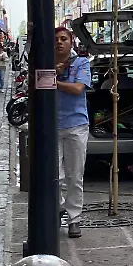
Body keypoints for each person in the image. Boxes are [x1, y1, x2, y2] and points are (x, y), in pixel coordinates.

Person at [55, 26, 92, 236]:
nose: (59, 43)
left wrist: (54, 82)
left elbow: (79, 88)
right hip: (51, 125)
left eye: (63, 39)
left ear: (71, 42)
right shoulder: (45, 64)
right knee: (54, 175)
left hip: (76, 124)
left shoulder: (81, 63)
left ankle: (74, 219)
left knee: (74, 175)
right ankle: (59, 208)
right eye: (56, 39)